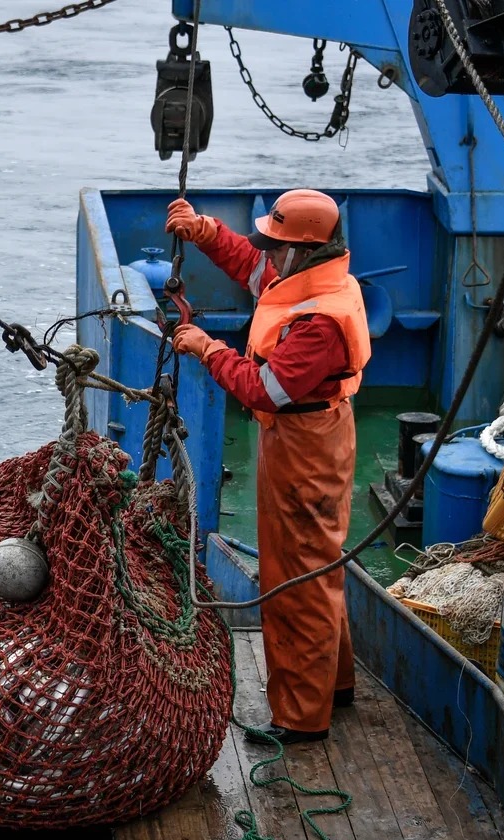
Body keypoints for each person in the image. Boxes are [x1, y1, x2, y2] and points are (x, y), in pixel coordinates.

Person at [165, 189, 372, 745]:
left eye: (278, 245)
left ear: (304, 252)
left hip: (304, 447)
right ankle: (335, 685)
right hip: (313, 434)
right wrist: (203, 230)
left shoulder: (317, 326)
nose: (268, 253)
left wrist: (207, 349)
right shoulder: (318, 282)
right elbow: (252, 266)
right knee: (319, 563)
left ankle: (301, 717)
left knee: (296, 575)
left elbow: (261, 388)